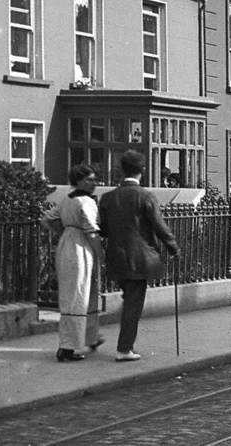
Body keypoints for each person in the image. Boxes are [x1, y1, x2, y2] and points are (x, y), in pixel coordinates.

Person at [99, 150, 179, 362]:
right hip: (140, 259)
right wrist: (173, 248)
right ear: (141, 171)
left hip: (117, 257)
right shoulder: (145, 196)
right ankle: (124, 348)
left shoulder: (108, 198)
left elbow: (104, 230)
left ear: (121, 170)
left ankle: (126, 345)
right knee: (133, 304)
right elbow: (159, 226)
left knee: (129, 300)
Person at [43, 164, 104, 361]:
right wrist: (101, 254)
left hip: (67, 244)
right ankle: (67, 346)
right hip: (80, 248)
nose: (93, 183)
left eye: (94, 179)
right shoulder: (85, 201)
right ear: (78, 181)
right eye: (89, 179)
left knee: (83, 292)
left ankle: (89, 337)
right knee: (77, 294)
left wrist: (64, 232)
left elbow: (48, 218)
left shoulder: (67, 199)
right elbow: (92, 231)